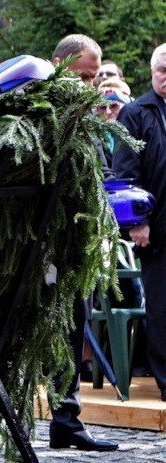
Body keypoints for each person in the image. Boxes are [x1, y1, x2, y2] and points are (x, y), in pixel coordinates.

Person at [47, 34, 118, 450]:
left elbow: (100, 174)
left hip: (80, 245)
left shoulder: (88, 118)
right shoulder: (41, 116)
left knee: (74, 328)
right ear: (58, 65)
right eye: (82, 76)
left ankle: (66, 421)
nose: (89, 86)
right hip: (44, 247)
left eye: (94, 78)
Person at [114, 42, 166, 404]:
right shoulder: (135, 113)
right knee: (162, 308)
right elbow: (126, 172)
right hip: (157, 227)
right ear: (151, 72)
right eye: (163, 70)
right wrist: (137, 222)